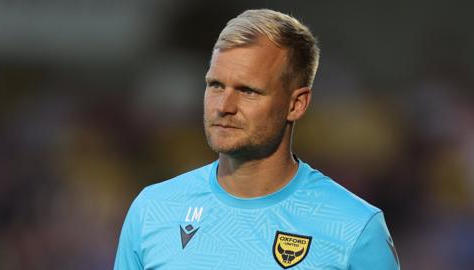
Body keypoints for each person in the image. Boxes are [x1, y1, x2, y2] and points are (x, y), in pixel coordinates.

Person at [114, 9, 400, 270]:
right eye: (215, 85)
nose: (224, 106)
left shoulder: (354, 227)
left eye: (248, 90)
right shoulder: (152, 209)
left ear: (296, 104)